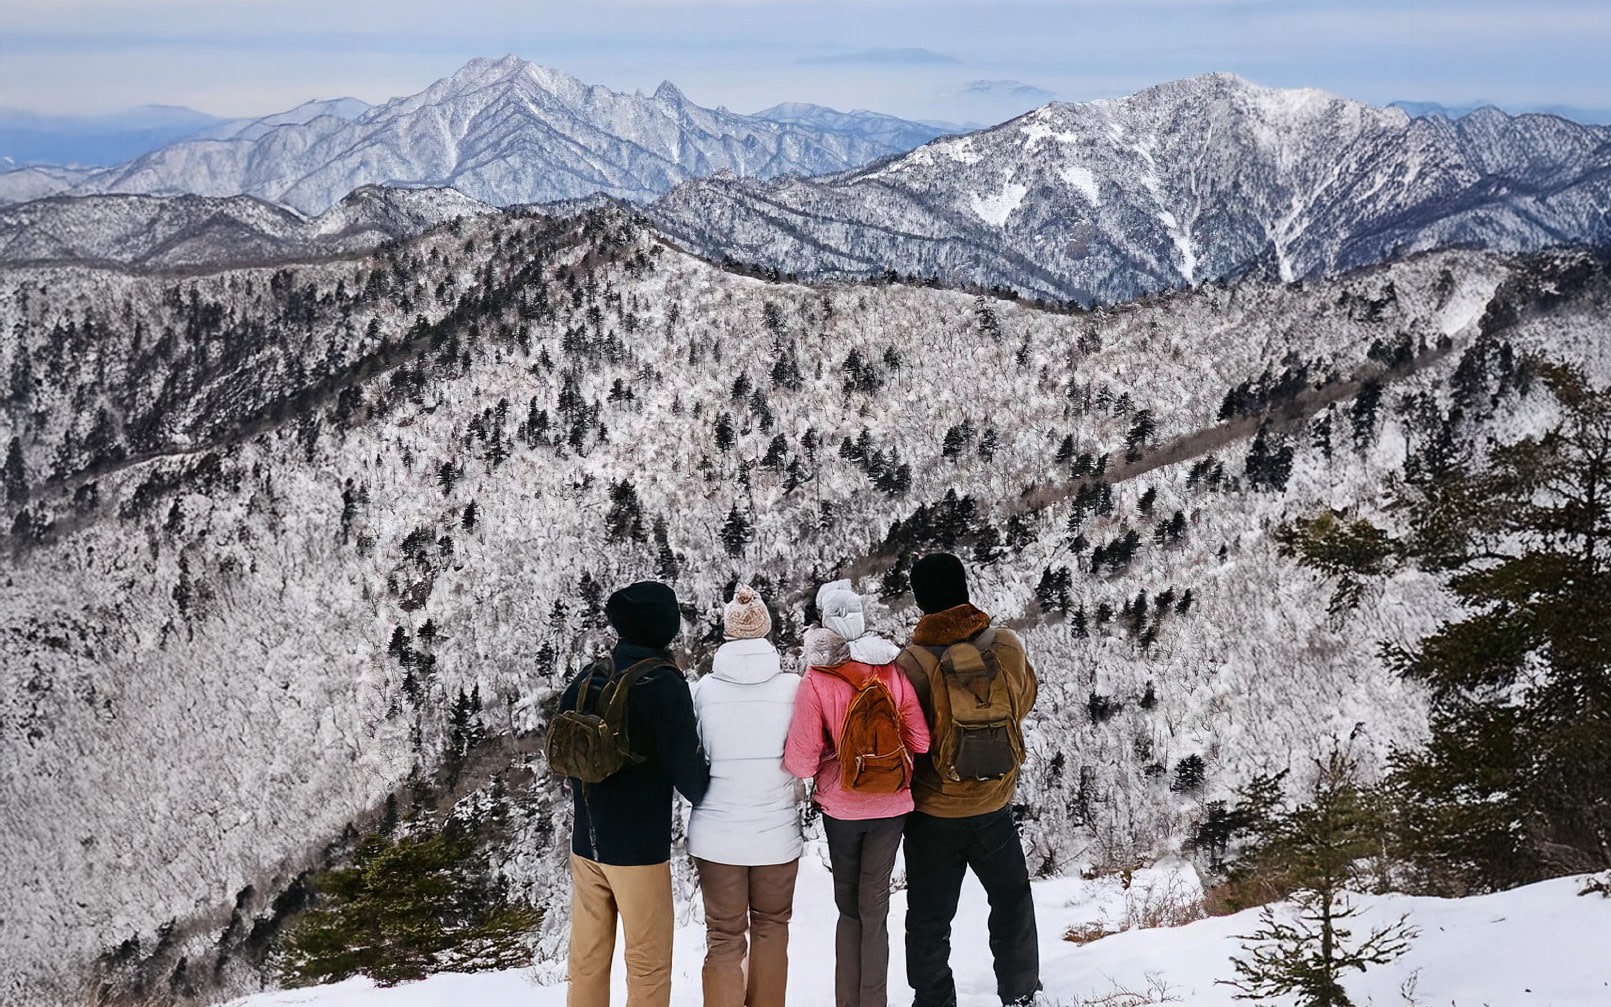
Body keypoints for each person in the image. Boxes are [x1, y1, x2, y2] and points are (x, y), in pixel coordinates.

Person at [895, 553, 1040, 1007]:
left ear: (921, 600)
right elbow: (1023, 702)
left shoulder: (910, 663)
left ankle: (935, 999)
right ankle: (1020, 992)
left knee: (929, 916)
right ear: (964, 588)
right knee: (1012, 899)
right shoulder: (1007, 645)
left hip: (934, 811)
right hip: (994, 803)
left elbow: (909, 738)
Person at [558, 580, 709, 1007]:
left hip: (586, 844)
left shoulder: (588, 678)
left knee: (587, 961)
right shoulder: (664, 684)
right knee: (647, 965)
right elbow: (691, 779)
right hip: (638, 852)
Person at [784, 579, 931, 1007]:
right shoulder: (892, 670)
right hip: (892, 805)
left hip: (843, 807)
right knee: (875, 910)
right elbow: (921, 741)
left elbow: (801, 762)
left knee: (849, 912)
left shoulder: (816, 679)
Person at [687, 585, 804, 1007]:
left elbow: (693, 758)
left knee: (723, 935)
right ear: (766, 631)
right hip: (776, 834)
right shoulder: (794, 688)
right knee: (772, 927)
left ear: (728, 633)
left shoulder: (703, 691)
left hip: (716, 836)